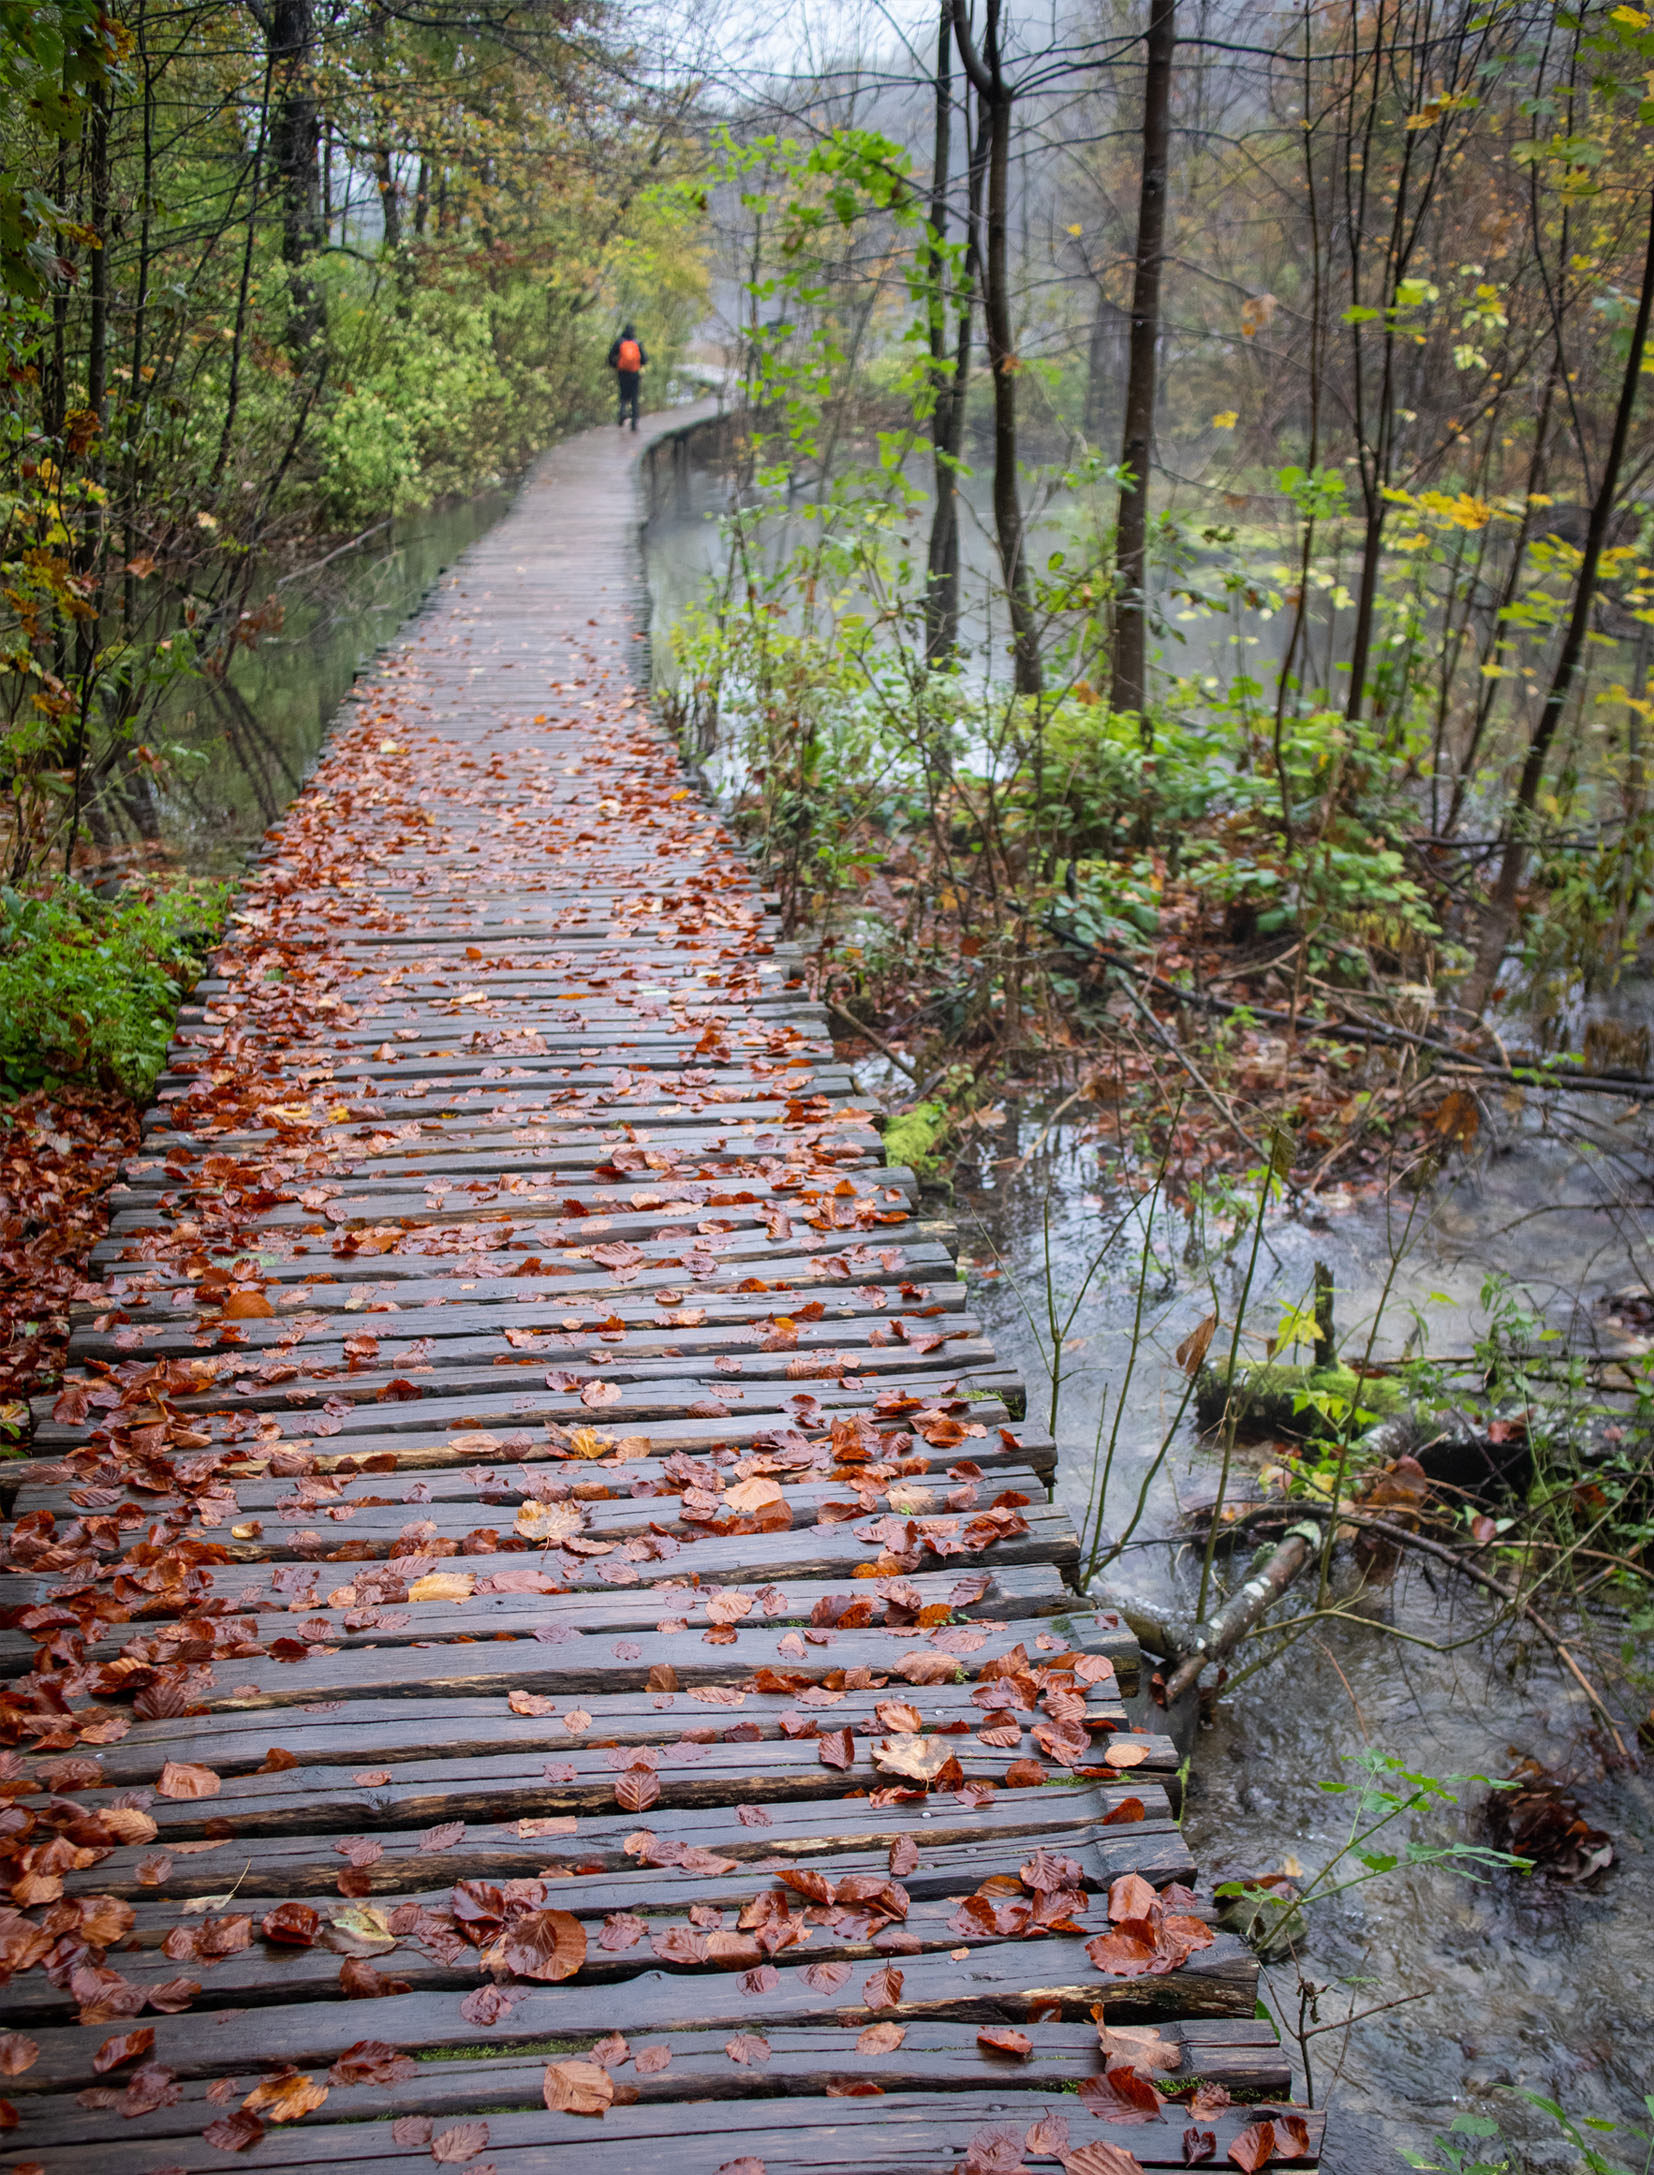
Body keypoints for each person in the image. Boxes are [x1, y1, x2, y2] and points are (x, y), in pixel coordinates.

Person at [607, 324, 647, 432]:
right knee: (634, 397)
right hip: (634, 373)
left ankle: (622, 412)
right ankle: (634, 422)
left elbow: (610, 357)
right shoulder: (637, 343)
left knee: (623, 394)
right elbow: (644, 359)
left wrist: (616, 366)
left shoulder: (619, 342)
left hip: (622, 373)